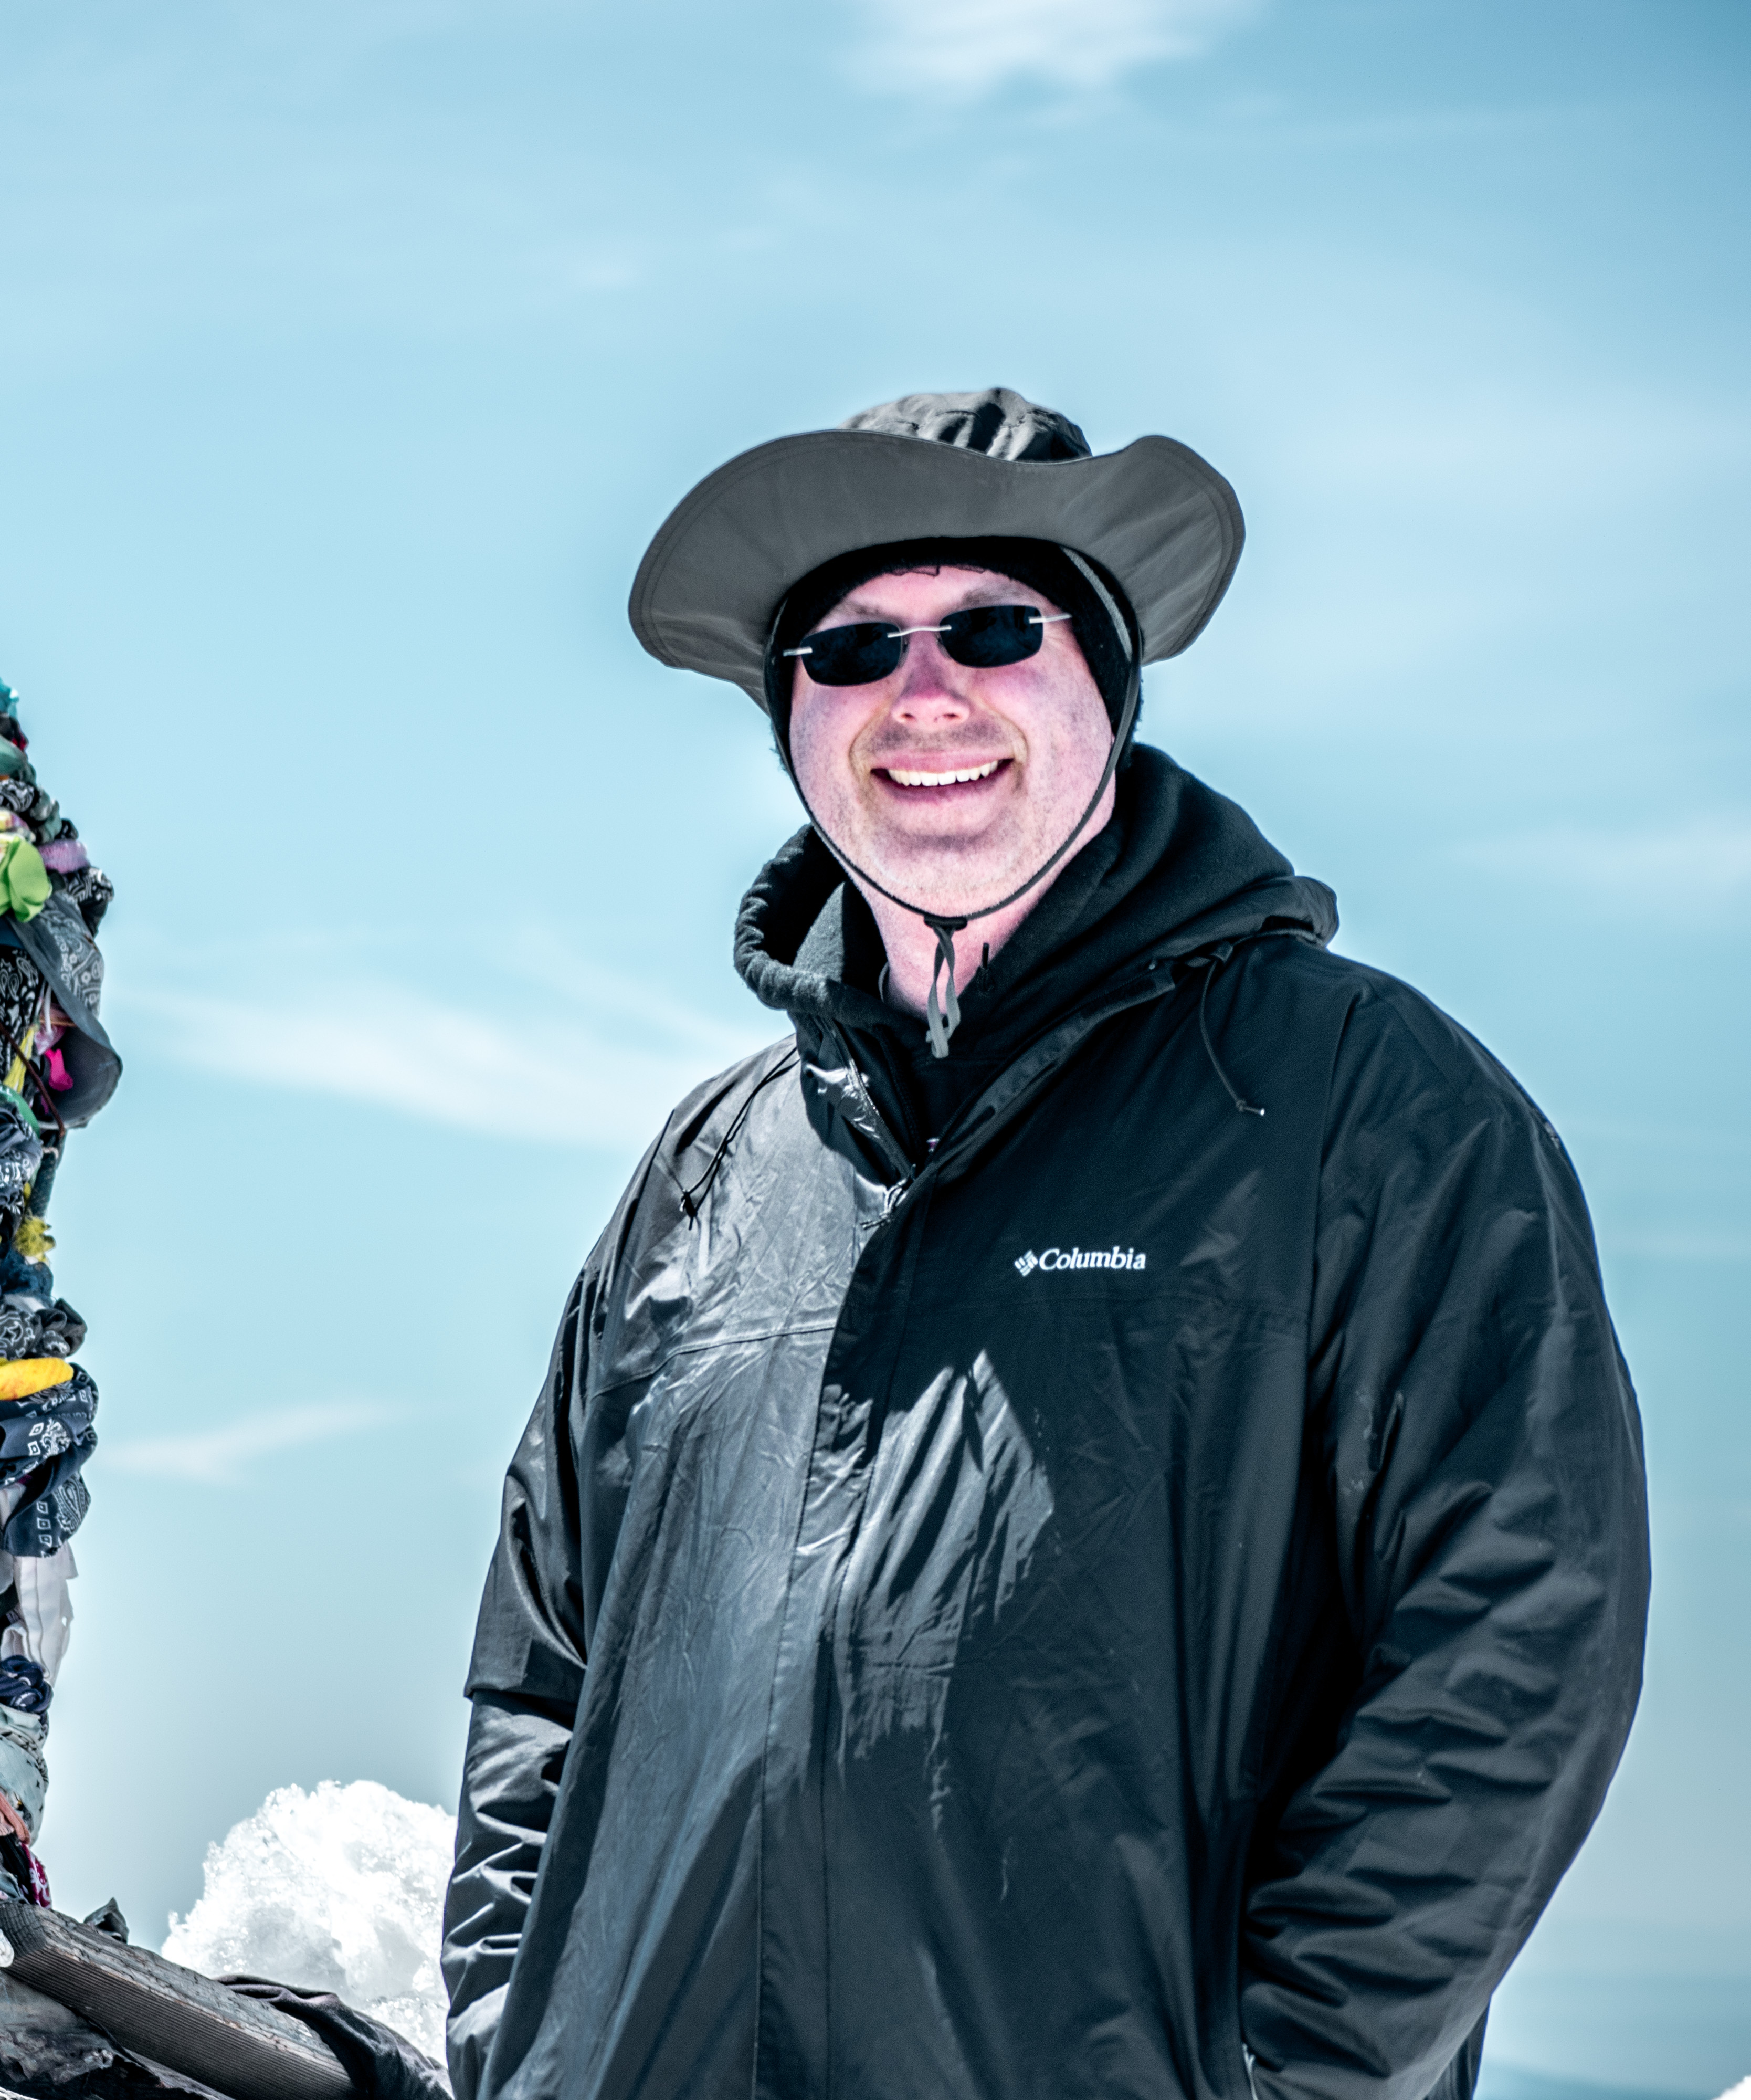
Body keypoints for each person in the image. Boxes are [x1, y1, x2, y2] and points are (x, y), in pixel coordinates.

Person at [441, 390, 1648, 2100]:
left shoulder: (1362, 1107)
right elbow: (539, 1675)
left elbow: (1516, 1639)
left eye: (996, 630)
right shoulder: (712, 1170)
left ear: (1110, 681)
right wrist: (521, 2049)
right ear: (791, 719)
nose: (924, 695)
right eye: (852, 650)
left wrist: (1291, 2076)